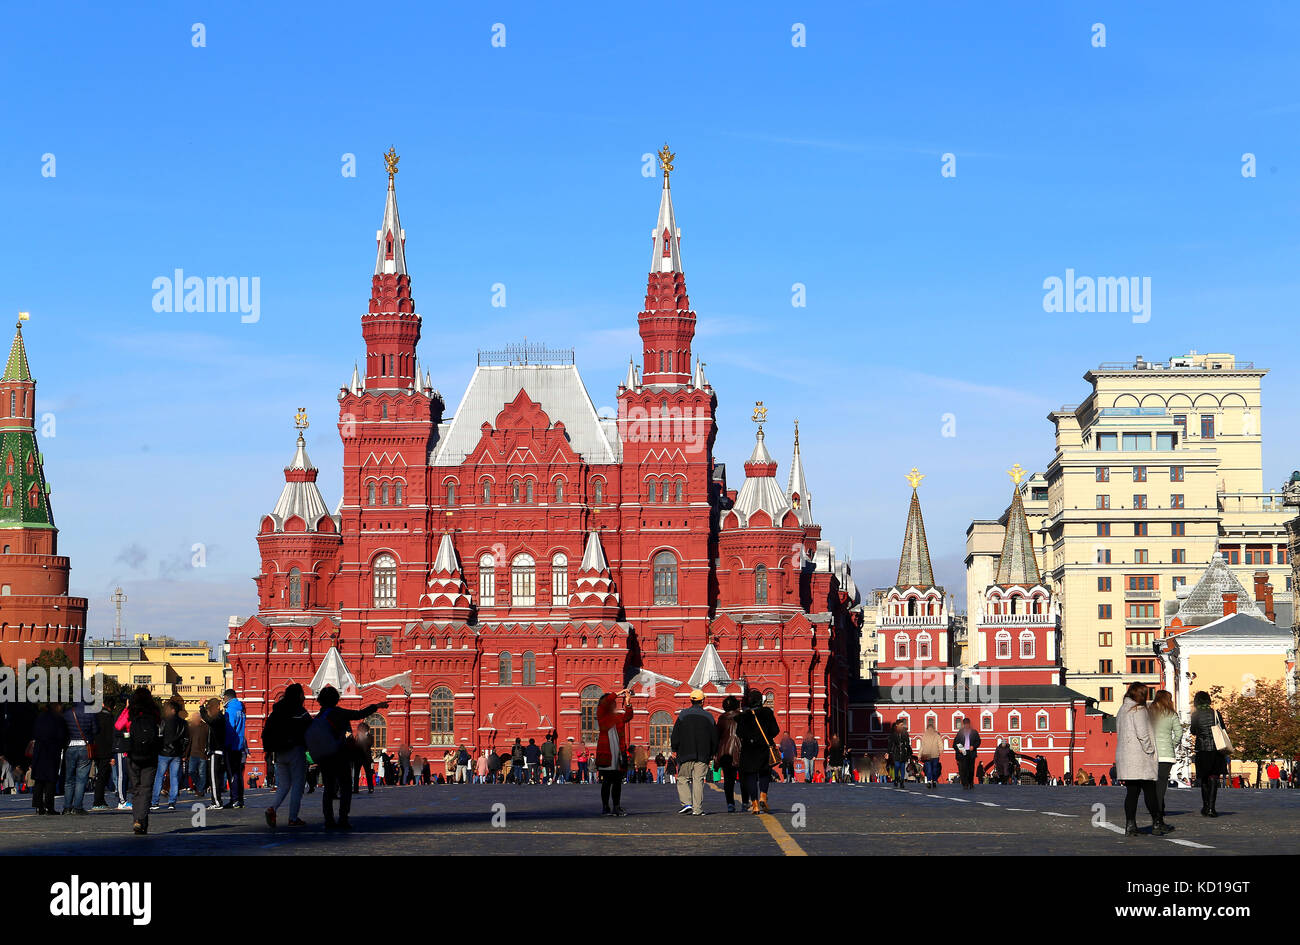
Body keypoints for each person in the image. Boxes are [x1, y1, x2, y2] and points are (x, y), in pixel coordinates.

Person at [311, 686, 387, 829]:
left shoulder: (319, 716)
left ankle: (329, 820)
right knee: (346, 786)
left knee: (328, 789)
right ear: (336, 699)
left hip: (325, 757)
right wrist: (376, 706)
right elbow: (359, 715)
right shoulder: (338, 712)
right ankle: (343, 818)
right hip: (340, 755)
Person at [1115, 682, 1163, 836]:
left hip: (1127, 758)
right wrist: (1150, 750)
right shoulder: (1139, 710)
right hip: (1140, 758)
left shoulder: (1122, 709)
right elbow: (1143, 734)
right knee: (1150, 792)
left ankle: (1130, 825)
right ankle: (1156, 822)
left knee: (1132, 793)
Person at [263, 683, 311, 828]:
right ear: (298, 695)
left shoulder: (276, 711)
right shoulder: (299, 710)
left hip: (279, 752)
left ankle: (272, 808)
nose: (304, 697)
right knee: (298, 785)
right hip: (295, 750)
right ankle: (293, 817)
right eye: (302, 694)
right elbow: (311, 726)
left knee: (283, 785)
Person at [671, 688, 718, 816]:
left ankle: (687, 804)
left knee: (682, 778)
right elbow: (715, 737)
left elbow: (675, 734)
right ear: (703, 701)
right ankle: (697, 809)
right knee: (698, 780)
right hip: (703, 754)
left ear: (691, 700)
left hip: (685, 753)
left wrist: (674, 748)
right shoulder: (709, 717)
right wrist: (713, 753)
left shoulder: (683, 715)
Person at [125, 687, 162, 835]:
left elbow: (118, 726)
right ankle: (141, 820)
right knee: (146, 789)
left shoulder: (131, 711)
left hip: (133, 754)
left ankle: (138, 820)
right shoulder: (154, 711)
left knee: (136, 790)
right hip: (150, 755)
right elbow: (160, 730)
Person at [735, 688, 779, 813]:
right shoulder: (767, 713)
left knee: (751, 776)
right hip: (764, 748)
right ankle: (763, 797)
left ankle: (754, 804)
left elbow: (739, 733)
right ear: (761, 701)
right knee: (765, 773)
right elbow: (775, 730)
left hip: (749, 750)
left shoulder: (744, 716)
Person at [1189, 690, 1228, 818]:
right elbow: (1223, 729)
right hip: (1216, 750)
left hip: (1202, 750)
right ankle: (1212, 807)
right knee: (1213, 778)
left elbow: (1193, 731)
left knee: (1204, 778)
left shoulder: (1195, 715)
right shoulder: (1216, 713)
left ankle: (1206, 806)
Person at [595, 689, 633, 816]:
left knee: (617, 783)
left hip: (618, 755)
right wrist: (619, 692)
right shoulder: (602, 716)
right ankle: (605, 807)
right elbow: (604, 703)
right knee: (606, 782)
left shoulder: (617, 718)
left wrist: (628, 702)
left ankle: (616, 807)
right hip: (606, 753)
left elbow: (629, 716)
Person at [1149, 688, 1183, 833]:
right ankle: (1159, 816)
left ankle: (1157, 815)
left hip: (1151, 754)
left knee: (1152, 785)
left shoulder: (1149, 712)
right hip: (1166, 756)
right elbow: (1179, 733)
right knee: (1161, 786)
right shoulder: (1171, 714)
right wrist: (1172, 744)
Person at [150, 700, 189, 811]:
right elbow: (186, 739)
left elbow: (159, 736)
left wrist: (158, 748)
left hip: (163, 752)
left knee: (159, 777)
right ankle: (172, 802)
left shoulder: (163, 721)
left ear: (172, 710)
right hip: (176, 753)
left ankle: (155, 802)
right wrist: (182, 751)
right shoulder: (183, 723)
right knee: (174, 777)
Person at [31, 702, 68, 815]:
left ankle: (38, 806)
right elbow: (62, 736)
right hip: (52, 752)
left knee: (39, 780)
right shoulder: (58, 719)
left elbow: (34, 732)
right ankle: (49, 806)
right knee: (50, 781)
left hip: (39, 751)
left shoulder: (40, 717)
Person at [62, 699, 97, 814]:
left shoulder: (67, 713)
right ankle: (77, 807)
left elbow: (63, 730)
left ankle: (67, 807)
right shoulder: (90, 713)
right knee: (81, 780)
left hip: (69, 746)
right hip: (84, 746)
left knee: (69, 779)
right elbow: (96, 730)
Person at [715, 695, 743, 812]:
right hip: (741, 751)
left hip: (726, 753)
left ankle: (730, 804)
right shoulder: (742, 717)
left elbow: (717, 736)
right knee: (744, 778)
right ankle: (746, 802)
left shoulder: (722, 718)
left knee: (728, 780)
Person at [200, 698, 228, 810]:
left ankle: (217, 801)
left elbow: (208, 720)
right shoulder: (220, 718)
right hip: (216, 751)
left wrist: (201, 707)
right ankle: (216, 800)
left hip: (215, 751)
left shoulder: (218, 718)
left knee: (214, 778)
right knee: (215, 777)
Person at [222, 689, 247, 809]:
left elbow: (229, 729)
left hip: (231, 746)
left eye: (223, 698)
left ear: (227, 697)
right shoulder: (241, 709)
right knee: (238, 774)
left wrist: (226, 745)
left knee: (232, 774)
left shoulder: (230, 710)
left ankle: (234, 799)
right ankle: (239, 799)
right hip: (239, 745)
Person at [90, 698, 117, 810]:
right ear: (113, 707)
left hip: (96, 749)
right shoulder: (110, 718)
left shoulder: (96, 716)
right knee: (103, 776)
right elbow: (111, 738)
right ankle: (98, 801)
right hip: (106, 751)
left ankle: (100, 800)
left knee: (100, 776)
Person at [186, 703, 209, 798]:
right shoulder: (191, 727)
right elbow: (188, 741)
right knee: (191, 771)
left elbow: (209, 740)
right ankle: (200, 787)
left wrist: (207, 750)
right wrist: (186, 754)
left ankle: (200, 790)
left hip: (202, 754)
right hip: (192, 754)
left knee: (202, 773)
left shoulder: (206, 727)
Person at [954, 717, 981, 789]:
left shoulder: (974, 732)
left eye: (967, 724)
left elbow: (978, 741)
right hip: (963, 752)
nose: (966, 725)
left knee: (971, 769)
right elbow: (955, 743)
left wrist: (974, 746)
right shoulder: (960, 733)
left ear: (969, 724)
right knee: (963, 769)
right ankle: (965, 784)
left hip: (971, 753)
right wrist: (959, 749)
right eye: (965, 724)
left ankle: (971, 783)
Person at [887, 720, 912, 789]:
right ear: (897, 725)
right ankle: (896, 778)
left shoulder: (905, 733)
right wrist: (888, 752)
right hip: (896, 751)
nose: (902, 726)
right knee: (897, 765)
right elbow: (890, 744)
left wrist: (909, 752)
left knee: (902, 767)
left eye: (902, 725)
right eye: (901, 725)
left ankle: (902, 781)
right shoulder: (893, 733)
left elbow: (907, 743)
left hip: (903, 752)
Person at [918, 720, 943, 789]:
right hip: (927, 755)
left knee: (934, 769)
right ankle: (929, 781)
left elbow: (940, 743)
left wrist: (941, 749)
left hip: (934, 755)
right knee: (929, 769)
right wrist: (919, 755)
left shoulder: (936, 736)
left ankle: (934, 781)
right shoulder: (925, 736)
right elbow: (922, 746)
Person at [353, 721, 375, 793]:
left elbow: (369, 744)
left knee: (368, 774)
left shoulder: (370, 736)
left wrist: (364, 737)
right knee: (356, 774)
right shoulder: (357, 736)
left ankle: (370, 788)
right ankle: (356, 789)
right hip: (357, 758)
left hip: (366, 758)